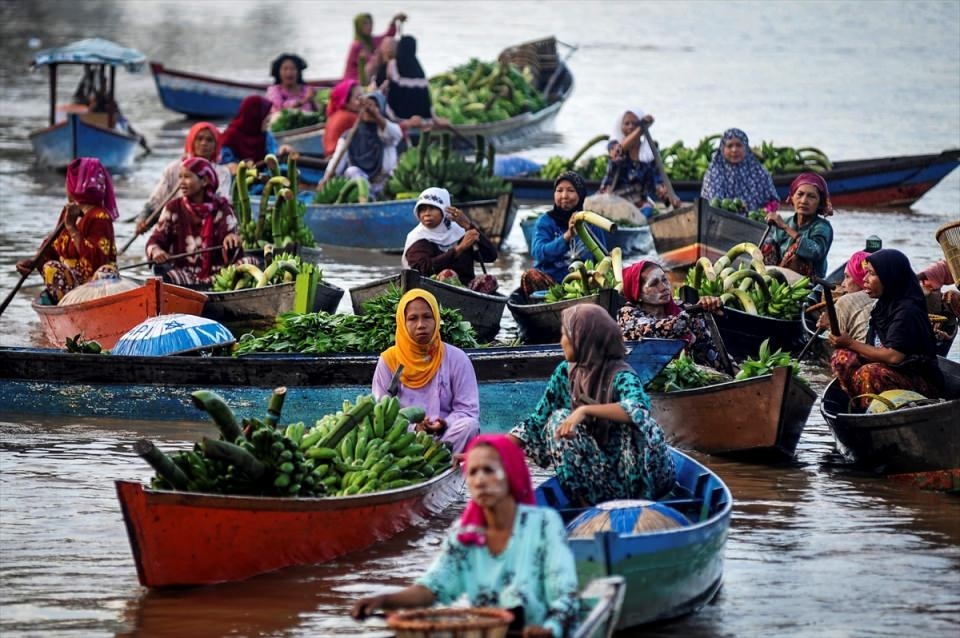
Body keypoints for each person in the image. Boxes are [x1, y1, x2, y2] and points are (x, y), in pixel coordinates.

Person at [351, 434, 581, 638]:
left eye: (489, 470)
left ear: (511, 473)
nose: (480, 480)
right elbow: (432, 589)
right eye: (473, 472)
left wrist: (551, 628)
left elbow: (565, 595)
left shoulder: (542, 525)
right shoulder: (465, 535)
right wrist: (383, 600)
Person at [507, 304, 677, 505]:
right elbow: (536, 422)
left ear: (583, 341)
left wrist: (585, 410)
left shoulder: (621, 374)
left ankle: (636, 503)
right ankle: (586, 507)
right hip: (602, 478)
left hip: (641, 478)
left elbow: (639, 410)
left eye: (565, 336)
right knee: (557, 421)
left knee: (640, 424)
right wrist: (490, 448)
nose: (561, 342)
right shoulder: (565, 372)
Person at [828, 249, 944, 410]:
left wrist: (850, 343)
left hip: (920, 382)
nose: (865, 279)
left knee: (869, 372)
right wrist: (843, 345)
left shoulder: (907, 311)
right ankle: (861, 407)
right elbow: (873, 348)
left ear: (890, 278)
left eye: (872, 274)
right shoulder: (882, 307)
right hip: (891, 372)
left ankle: (872, 413)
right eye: (866, 273)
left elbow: (894, 357)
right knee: (842, 358)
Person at [371, 289, 480, 453]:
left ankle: (444, 463)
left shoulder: (457, 358)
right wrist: (414, 428)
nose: (421, 325)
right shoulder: (389, 360)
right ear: (402, 322)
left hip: (445, 436)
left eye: (427, 317)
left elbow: (467, 410)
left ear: (436, 319)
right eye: (413, 319)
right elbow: (381, 413)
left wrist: (443, 424)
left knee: (469, 426)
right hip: (404, 438)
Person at [16, 158, 118, 303]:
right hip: (70, 292)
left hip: (95, 291)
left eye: (67, 181)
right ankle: (67, 308)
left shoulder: (99, 216)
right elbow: (53, 245)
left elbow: (96, 261)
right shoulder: (67, 211)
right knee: (51, 267)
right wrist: (33, 262)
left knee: (105, 272)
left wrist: (72, 228)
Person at [144, 157, 250, 287]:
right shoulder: (173, 207)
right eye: (180, 177)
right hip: (182, 276)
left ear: (204, 181)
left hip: (219, 276)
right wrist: (156, 251)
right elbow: (154, 240)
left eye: (187, 177)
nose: (181, 183)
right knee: (161, 269)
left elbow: (233, 246)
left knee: (250, 262)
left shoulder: (223, 208)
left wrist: (232, 239)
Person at [617, 260, 728, 371]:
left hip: (694, 377)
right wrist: (694, 312)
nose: (664, 287)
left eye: (664, 280)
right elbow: (655, 330)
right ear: (638, 294)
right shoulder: (627, 314)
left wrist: (711, 306)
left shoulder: (681, 307)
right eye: (654, 284)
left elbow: (710, 348)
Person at [135, 122, 231, 235]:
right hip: (177, 223)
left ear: (216, 145)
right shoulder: (175, 168)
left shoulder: (222, 172)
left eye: (209, 140)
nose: (204, 143)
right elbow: (157, 200)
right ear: (191, 141)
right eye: (199, 139)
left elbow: (222, 201)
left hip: (208, 224)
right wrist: (144, 220)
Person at [523, 171, 608, 296]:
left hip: (583, 286)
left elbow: (602, 258)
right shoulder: (545, 221)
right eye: (559, 190)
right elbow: (538, 253)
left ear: (581, 195)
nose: (564, 195)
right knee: (529, 276)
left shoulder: (590, 222)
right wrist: (567, 236)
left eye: (570, 190)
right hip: (551, 286)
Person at [401, 187, 497, 286]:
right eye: (422, 210)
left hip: (467, 289)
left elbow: (491, 256)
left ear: (444, 211)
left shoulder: (461, 232)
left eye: (432, 208)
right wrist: (458, 250)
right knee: (447, 275)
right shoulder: (417, 238)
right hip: (429, 291)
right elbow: (422, 269)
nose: (427, 214)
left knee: (490, 281)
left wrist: (468, 225)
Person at [322, 91, 403, 199]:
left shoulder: (386, 134)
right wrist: (325, 180)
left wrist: (376, 114)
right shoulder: (349, 136)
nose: (369, 110)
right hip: (359, 187)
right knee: (352, 171)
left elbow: (396, 134)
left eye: (376, 106)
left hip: (384, 184)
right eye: (367, 107)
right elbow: (336, 163)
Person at [598, 108, 680, 208]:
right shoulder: (614, 145)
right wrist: (642, 127)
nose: (631, 127)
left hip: (638, 204)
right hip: (611, 201)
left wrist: (668, 196)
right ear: (621, 126)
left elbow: (657, 182)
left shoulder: (648, 154)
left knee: (648, 209)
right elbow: (618, 151)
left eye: (635, 123)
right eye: (626, 123)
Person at [762, 172, 834, 279]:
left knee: (797, 255)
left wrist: (786, 228)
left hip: (809, 282)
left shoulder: (823, 227)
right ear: (792, 197)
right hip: (779, 276)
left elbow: (814, 252)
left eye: (811, 196)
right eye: (800, 194)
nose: (804, 201)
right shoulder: (787, 222)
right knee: (768, 243)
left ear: (819, 202)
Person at [700, 128, 781, 212]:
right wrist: (737, 206)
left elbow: (773, 201)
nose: (734, 150)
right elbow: (713, 203)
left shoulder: (759, 172)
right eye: (729, 146)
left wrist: (765, 211)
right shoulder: (714, 173)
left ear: (746, 147)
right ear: (722, 148)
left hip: (756, 222)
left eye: (739, 145)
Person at [381, 35, 448, 131]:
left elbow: (387, 84)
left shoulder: (393, 64)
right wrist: (434, 118)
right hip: (420, 116)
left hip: (398, 114)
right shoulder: (419, 70)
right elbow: (427, 99)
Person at [816, 249, 875, 343]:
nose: (843, 284)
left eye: (847, 277)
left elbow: (835, 341)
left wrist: (828, 325)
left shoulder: (845, 300)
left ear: (861, 279)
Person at [220, 95, 292, 172]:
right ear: (254, 116)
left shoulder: (265, 135)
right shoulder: (231, 136)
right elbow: (227, 162)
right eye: (266, 115)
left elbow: (273, 153)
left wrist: (282, 150)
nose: (269, 118)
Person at [343, 12, 406, 84]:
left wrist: (394, 20)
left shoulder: (372, 40)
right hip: (354, 81)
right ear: (358, 27)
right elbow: (373, 62)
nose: (369, 26)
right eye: (365, 24)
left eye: (370, 23)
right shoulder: (357, 45)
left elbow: (388, 35)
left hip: (369, 79)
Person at [323, 78, 361, 157]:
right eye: (358, 98)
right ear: (345, 102)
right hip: (336, 160)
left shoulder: (336, 114)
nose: (362, 101)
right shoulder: (350, 117)